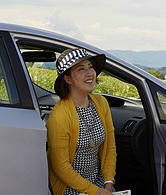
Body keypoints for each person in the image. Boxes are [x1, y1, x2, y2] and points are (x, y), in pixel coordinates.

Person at [46, 48, 116, 195]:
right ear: (68, 79)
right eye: (81, 69)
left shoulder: (101, 103)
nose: (90, 73)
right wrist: (95, 192)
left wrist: (108, 183)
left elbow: (109, 147)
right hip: (71, 187)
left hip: (98, 182)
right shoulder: (59, 115)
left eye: (91, 67)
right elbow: (61, 167)